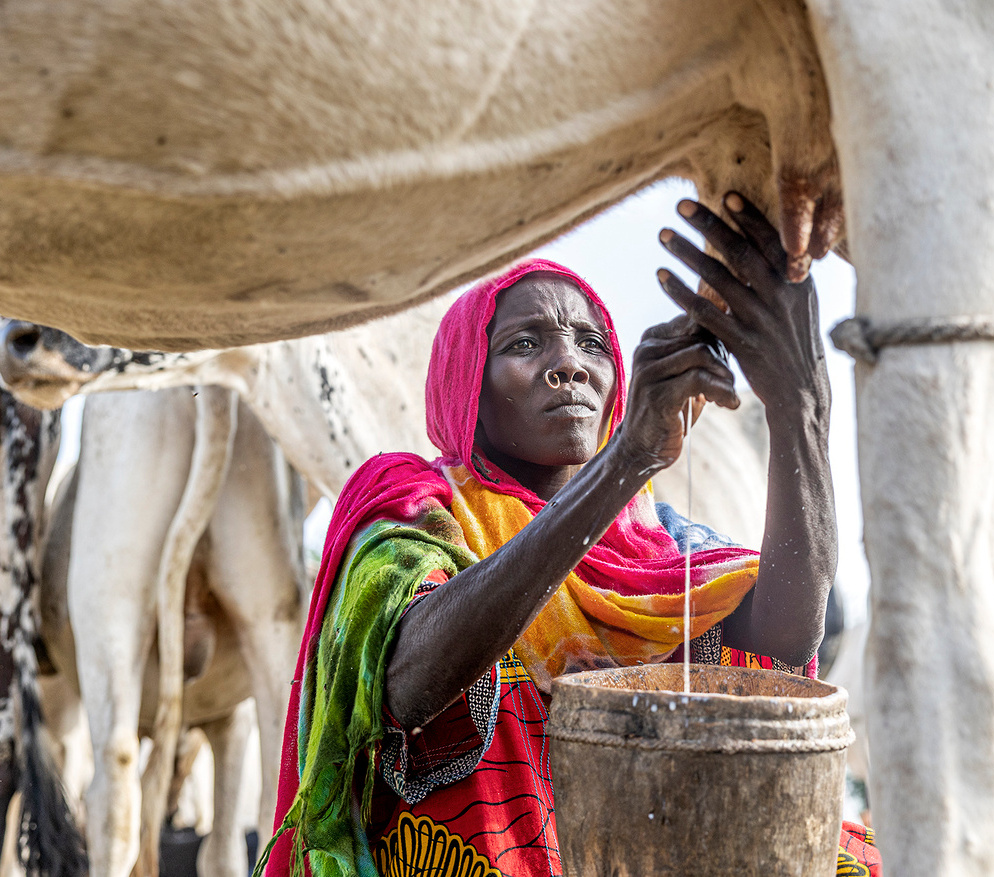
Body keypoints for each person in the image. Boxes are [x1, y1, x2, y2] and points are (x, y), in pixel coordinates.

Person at [258, 193, 881, 877]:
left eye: (591, 344)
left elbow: (788, 638)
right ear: (463, 382)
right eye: (525, 344)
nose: (570, 364)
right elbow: (407, 682)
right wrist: (625, 460)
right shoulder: (414, 508)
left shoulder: (657, 541)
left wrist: (801, 404)